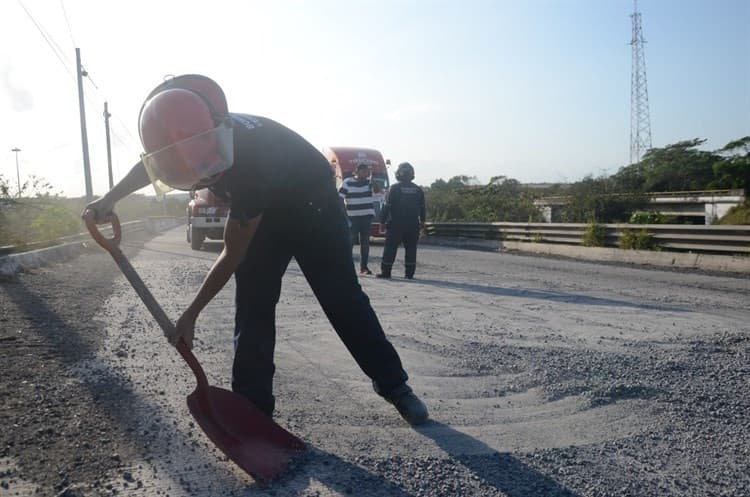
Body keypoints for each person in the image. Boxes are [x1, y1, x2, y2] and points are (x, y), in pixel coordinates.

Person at [82, 74, 428, 425]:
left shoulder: (250, 164)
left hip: (315, 209)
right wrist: (110, 199)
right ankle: (252, 407)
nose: (207, 178)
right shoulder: (198, 130)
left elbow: (231, 255)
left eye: (207, 167)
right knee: (252, 302)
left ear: (217, 132)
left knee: (342, 298)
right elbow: (153, 162)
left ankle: (396, 387)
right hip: (267, 211)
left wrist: (191, 314)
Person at [376, 162, 426, 280]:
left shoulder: (394, 188)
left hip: (396, 224)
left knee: (390, 248)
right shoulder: (418, 190)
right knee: (411, 249)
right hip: (413, 224)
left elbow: (387, 206)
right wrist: (423, 222)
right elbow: (423, 208)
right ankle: (409, 274)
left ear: (399, 174)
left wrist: (382, 222)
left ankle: (386, 272)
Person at [339, 163, 376, 275]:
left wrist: (372, 180)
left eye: (368, 171)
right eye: (365, 171)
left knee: (365, 244)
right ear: (358, 171)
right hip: (352, 218)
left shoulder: (369, 183)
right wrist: (345, 215)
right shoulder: (347, 182)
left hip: (367, 218)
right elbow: (340, 198)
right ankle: (346, 267)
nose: (367, 173)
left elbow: (378, 190)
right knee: (349, 243)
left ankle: (363, 267)